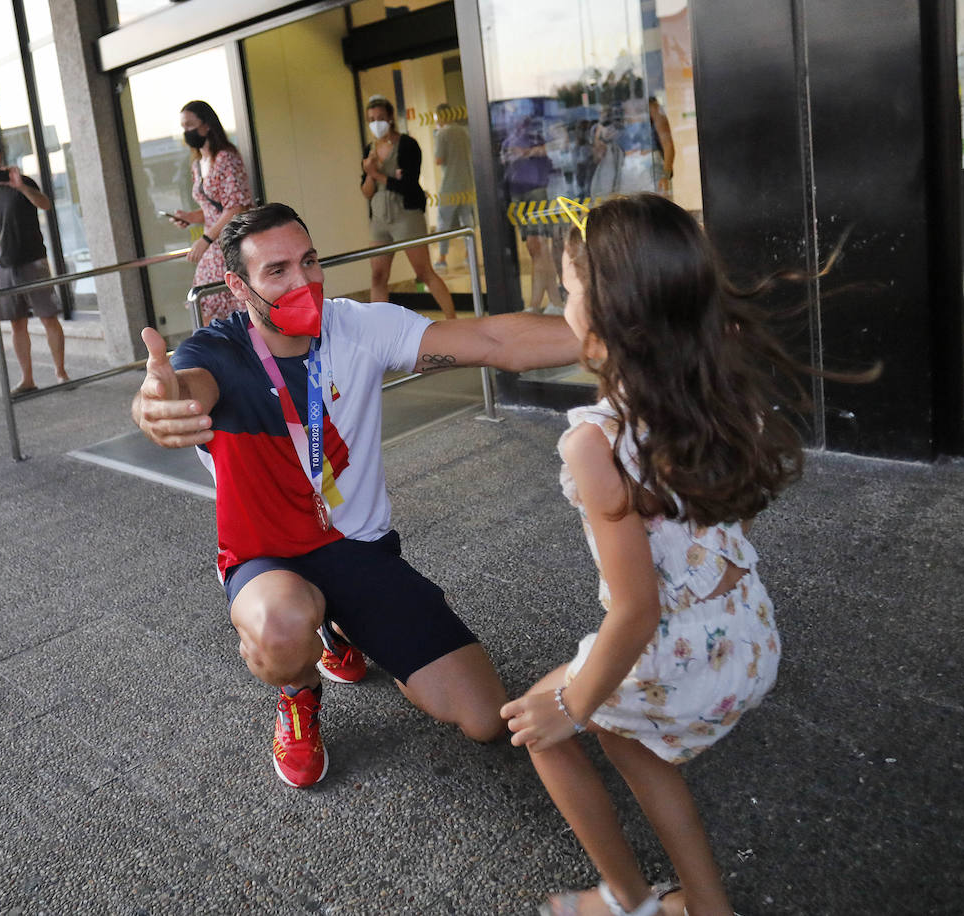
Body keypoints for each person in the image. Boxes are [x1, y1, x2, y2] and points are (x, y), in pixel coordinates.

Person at [131, 202, 579, 790]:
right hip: (269, 558)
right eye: (278, 271)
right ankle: (298, 689)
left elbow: (494, 338)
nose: (304, 281)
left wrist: (609, 336)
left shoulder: (358, 328)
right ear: (239, 288)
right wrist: (156, 406)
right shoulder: (216, 354)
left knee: (482, 718)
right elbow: (181, 388)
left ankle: (344, 629)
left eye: (309, 261)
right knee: (280, 623)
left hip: (360, 548)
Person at [501, 194, 839, 916]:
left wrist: (569, 703)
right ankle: (706, 906)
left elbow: (636, 610)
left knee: (537, 723)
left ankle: (626, 899)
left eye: (569, 289)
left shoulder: (595, 444)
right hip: (748, 638)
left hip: (673, 651)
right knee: (633, 743)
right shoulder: (709, 396)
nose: (563, 303)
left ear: (611, 312)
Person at [0, 138, 67, 394]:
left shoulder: (23, 183)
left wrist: (21, 187)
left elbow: (45, 204)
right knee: (16, 324)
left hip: (34, 262)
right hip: (5, 266)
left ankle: (61, 373)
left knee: (48, 317)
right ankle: (27, 379)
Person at [360, 95, 457, 319]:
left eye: (381, 118)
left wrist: (378, 174)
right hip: (379, 219)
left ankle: (452, 319)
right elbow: (366, 191)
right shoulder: (369, 150)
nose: (376, 123)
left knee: (423, 272)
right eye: (372, 119)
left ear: (391, 118)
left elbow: (409, 184)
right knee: (378, 276)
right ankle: (379, 328)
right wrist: (370, 173)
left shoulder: (408, 145)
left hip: (406, 215)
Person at [167, 101, 253, 325]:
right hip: (214, 250)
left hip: (228, 243)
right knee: (205, 307)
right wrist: (189, 217)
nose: (187, 132)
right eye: (183, 127)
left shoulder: (226, 158)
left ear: (206, 126)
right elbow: (212, 210)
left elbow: (236, 207)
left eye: (190, 125)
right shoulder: (198, 164)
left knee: (231, 308)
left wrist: (205, 239)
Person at [501, 113, 562, 313]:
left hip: (537, 188)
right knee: (534, 247)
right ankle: (552, 301)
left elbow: (558, 145)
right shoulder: (508, 131)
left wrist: (528, 152)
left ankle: (537, 304)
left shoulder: (539, 125)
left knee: (539, 244)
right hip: (517, 190)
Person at [431, 103, 474, 272]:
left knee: (443, 223)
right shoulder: (464, 132)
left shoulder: (442, 133)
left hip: (450, 185)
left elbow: (439, 160)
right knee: (467, 221)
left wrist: (436, 135)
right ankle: (469, 255)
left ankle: (442, 258)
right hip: (467, 183)